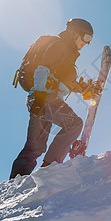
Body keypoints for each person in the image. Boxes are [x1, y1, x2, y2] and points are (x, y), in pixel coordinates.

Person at [10, 18, 96, 179]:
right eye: (86, 38)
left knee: (35, 147)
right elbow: (42, 69)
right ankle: (50, 169)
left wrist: (85, 90)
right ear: (74, 33)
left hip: (37, 99)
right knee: (74, 124)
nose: (87, 43)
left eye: (90, 40)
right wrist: (41, 96)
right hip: (44, 98)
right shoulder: (59, 46)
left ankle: (15, 185)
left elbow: (65, 83)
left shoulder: (68, 59)